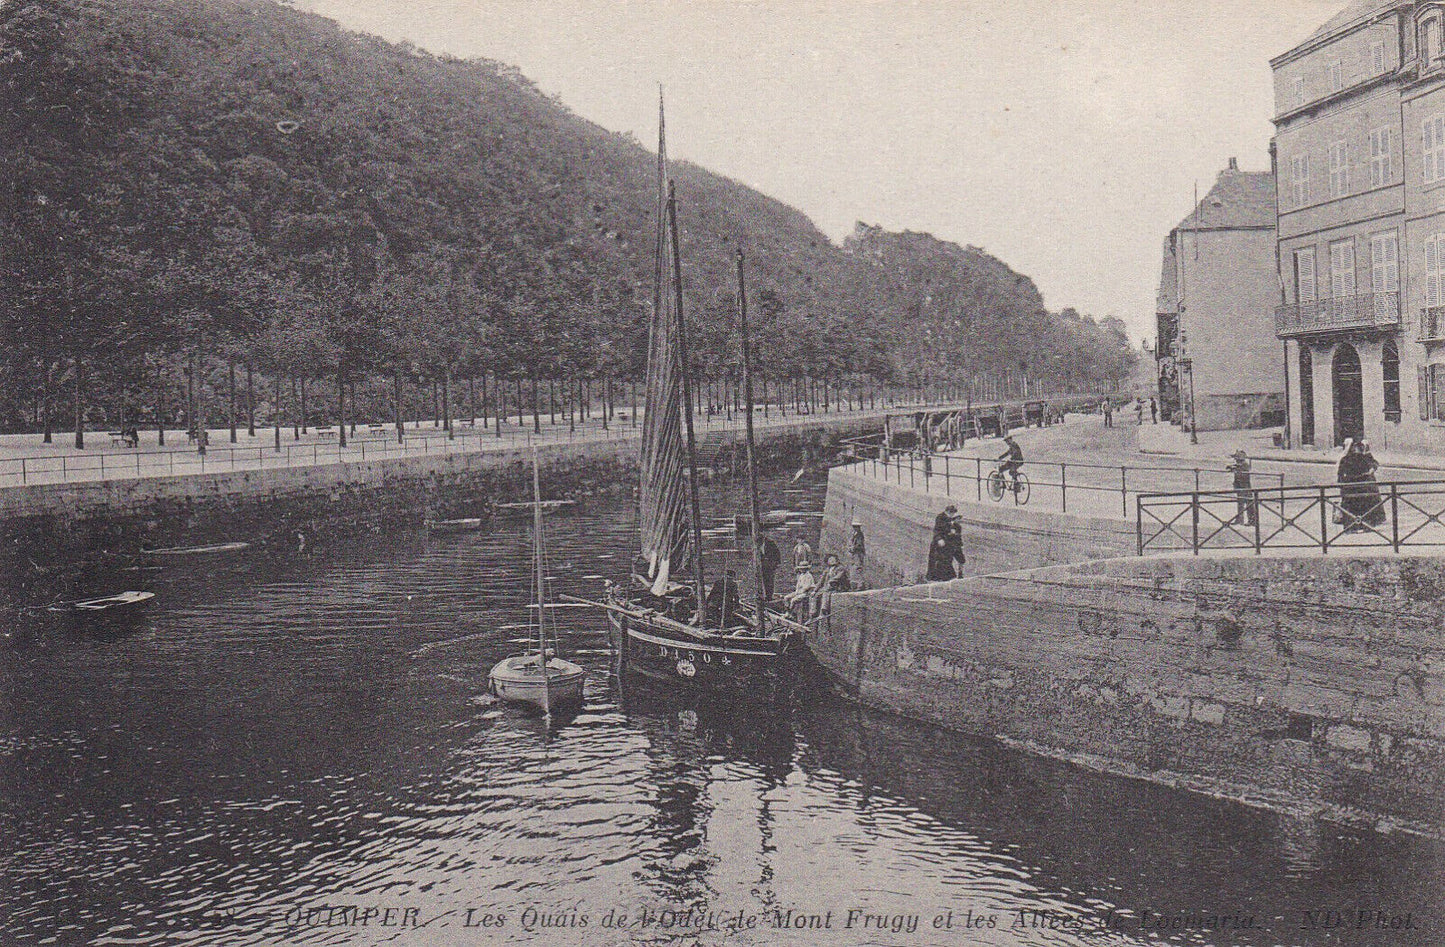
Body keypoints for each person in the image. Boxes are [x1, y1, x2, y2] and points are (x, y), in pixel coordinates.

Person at [1226, 449, 1256, 526]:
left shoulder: (1245, 465)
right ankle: (1240, 519)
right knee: (1240, 503)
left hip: (1245, 486)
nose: (1236, 460)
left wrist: (1234, 468)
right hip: (1239, 486)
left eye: (1237, 459)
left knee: (1249, 503)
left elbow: (1242, 472)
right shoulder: (1239, 465)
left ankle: (1252, 520)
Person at [758, 531, 781, 601]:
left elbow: (777, 553)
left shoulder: (770, 543)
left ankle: (769, 596)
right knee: (764, 581)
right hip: (763, 566)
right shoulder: (757, 545)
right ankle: (763, 596)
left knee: (770, 581)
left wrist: (775, 564)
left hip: (770, 565)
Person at [849, 521, 866, 589]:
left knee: (858, 568)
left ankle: (860, 584)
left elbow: (859, 544)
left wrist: (853, 548)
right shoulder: (855, 534)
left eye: (856, 527)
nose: (855, 528)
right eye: (854, 527)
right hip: (855, 553)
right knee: (855, 568)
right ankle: (856, 584)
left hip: (858, 553)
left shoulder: (859, 535)